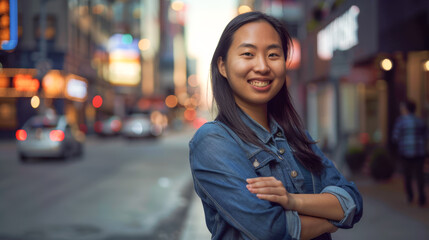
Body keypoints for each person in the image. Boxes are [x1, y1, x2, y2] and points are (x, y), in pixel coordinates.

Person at [189, 11, 362, 240]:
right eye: (248, 54)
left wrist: (292, 201)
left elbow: (352, 202)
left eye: (273, 54)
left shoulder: (296, 136)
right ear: (222, 66)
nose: (262, 66)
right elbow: (270, 230)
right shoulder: (212, 141)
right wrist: (329, 221)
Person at [392, 100, 427, 207]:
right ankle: (422, 198)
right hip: (419, 152)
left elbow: (395, 137)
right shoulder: (420, 120)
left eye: (402, 107)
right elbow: (426, 136)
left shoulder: (400, 121)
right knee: (419, 175)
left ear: (406, 108)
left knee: (407, 176)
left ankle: (410, 196)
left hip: (405, 153)